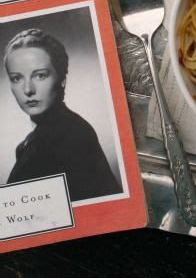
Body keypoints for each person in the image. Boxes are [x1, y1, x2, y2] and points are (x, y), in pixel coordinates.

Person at [4, 28, 122, 202]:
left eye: (40, 76)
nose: (28, 89)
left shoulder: (72, 135)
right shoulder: (32, 142)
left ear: (62, 79)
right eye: (17, 78)